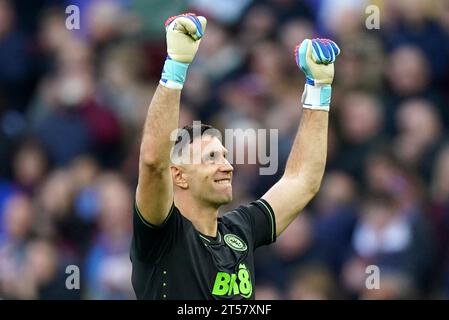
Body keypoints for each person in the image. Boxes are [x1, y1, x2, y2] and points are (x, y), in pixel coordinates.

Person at [130, 13, 340, 300]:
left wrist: (319, 90)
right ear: (178, 175)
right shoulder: (161, 235)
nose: (227, 166)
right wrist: (176, 66)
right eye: (211, 157)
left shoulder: (240, 230)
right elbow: (154, 163)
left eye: (225, 156)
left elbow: (303, 181)